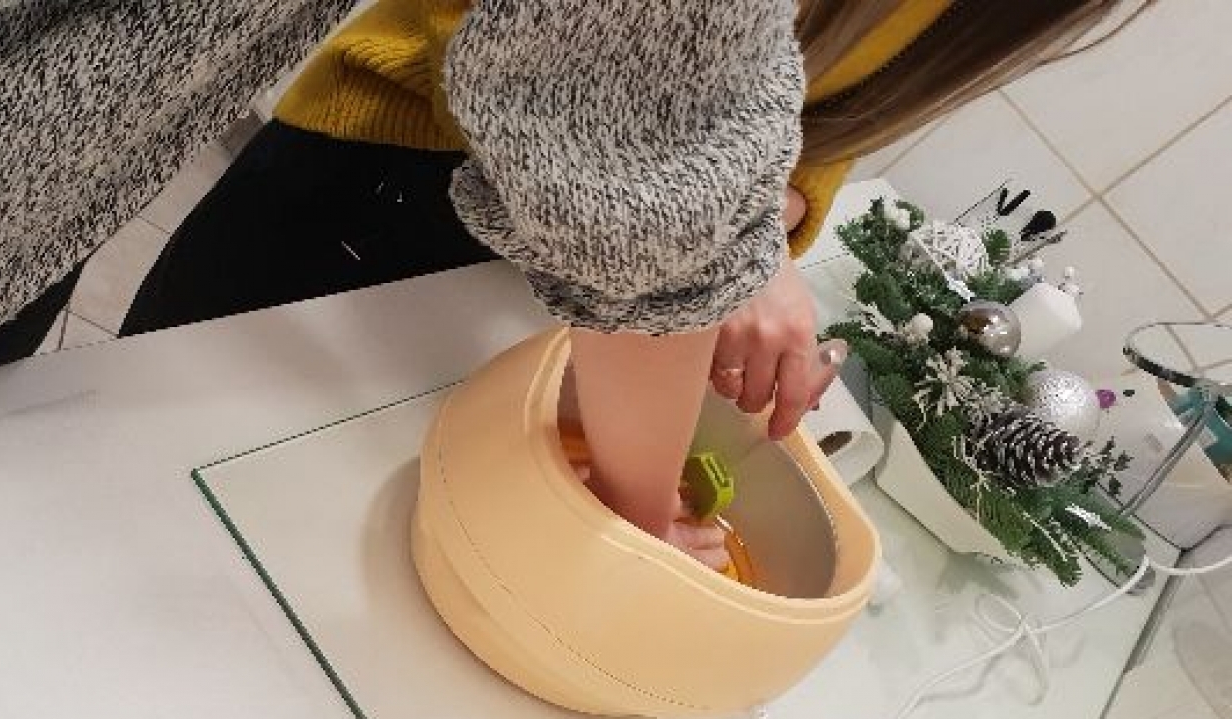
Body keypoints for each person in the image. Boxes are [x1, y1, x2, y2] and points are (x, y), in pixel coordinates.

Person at [116, 0, 1142, 562]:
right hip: (386, 181)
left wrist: (753, 224)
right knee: (148, 505)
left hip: (551, 285)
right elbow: (582, 94)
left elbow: (814, 121)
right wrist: (643, 521)